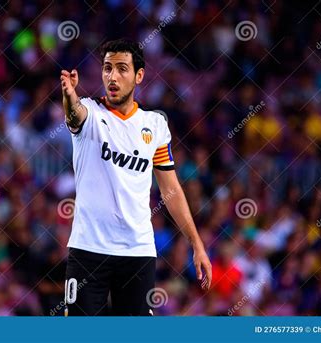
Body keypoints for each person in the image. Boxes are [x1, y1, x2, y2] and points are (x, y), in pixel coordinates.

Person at [60, 38, 212, 316]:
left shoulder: (154, 125)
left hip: (137, 251)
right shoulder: (90, 112)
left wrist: (196, 244)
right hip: (88, 249)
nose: (112, 76)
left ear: (139, 75)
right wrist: (69, 95)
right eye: (107, 68)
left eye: (121, 69)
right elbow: (74, 113)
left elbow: (172, 190)